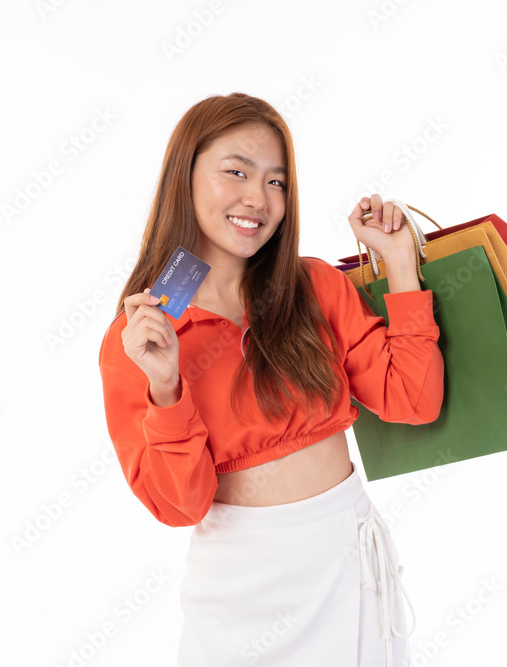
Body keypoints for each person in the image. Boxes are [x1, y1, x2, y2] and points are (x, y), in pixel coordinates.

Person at [97, 92, 444, 667]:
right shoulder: (140, 339)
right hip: (243, 591)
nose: (258, 199)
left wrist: (400, 265)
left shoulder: (314, 287)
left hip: (349, 560)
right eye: (236, 172)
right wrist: (166, 389)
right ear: (185, 179)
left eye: (277, 182)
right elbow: (180, 507)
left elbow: (413, 401)